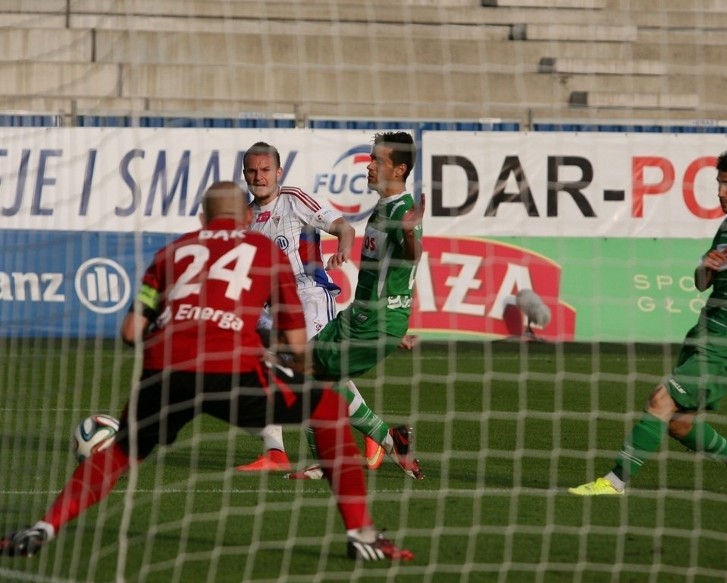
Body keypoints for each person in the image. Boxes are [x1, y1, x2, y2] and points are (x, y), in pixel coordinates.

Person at [0, 182, 413, 561]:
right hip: (232, 370)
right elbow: (294, 339)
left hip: (166, 371)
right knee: (325, 408)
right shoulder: (263, 251)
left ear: (201, 219)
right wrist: (288, 366)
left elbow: (131, 332)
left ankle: (42, 528)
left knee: (121, 451)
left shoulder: (171, 253)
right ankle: (362, 534)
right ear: (247, 218)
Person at [568, 148, 727, 496]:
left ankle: (614, 482)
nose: (720, 192)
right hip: (705, 331)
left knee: (660, 398)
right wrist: (706, 265)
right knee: (677, 422)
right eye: (718, 184)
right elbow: (702, 283)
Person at [235, 141, 394, 475]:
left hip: (308, 293)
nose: (259, 176)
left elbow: (343, 227)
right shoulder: (245, 218)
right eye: (252, 170)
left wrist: (344, 250)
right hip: (274, 305)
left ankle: (372, 435)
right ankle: (277, 452)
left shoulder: (293, 198)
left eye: (265, 170)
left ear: (278, 172)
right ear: (244, 173)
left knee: (311, 370)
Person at [286, 131, 425, 480]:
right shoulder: (385, 207)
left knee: (304, 373)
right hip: (364, 317)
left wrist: (409, 234)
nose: (370, 166)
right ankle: (386, 440)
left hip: (372, 323)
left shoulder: (402, 212)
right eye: (371, 159)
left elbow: (412, 255)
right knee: (310, 374)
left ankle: (351, 453)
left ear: (400, 169)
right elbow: (395, 273)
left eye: (378, 161)